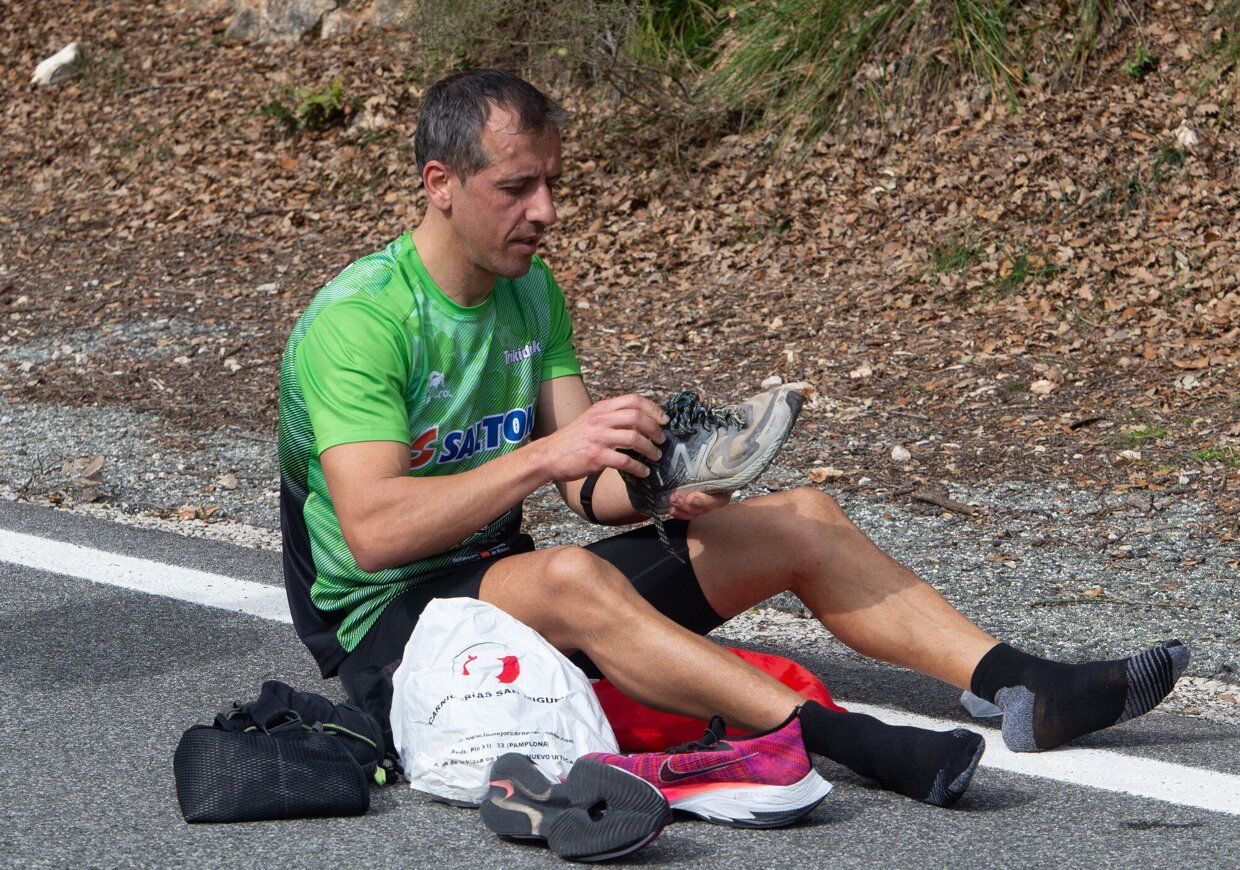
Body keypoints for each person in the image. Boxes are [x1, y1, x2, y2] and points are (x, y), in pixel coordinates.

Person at [277, 69, 1188, 813]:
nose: (546, 210)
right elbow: (376, 532)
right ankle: (849, 742)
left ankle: (1025, 685)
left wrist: (653, 490)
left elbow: (583, 488)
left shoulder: (529, 289)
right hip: (386, 632)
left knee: (801, 519)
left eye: (553, 182)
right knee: (569, 576)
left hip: (505, 587)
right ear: (440, 185)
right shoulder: (362, 322)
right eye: (517, 188)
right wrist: (550, 455)